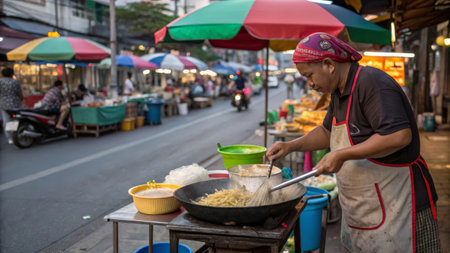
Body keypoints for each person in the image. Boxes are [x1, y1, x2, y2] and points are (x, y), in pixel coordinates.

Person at [266, 32, 440, 252]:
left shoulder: (372, 83)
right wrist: (291, 146)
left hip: (401, 202)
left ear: (329, 64)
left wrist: (343, 154)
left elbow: (399, 136)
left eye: (309, 75)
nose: (309, 83)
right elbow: (327, 131)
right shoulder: (339, 91)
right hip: (367, 206)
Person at [0, 67, 23, 144]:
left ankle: (9, 137)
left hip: (3, 104)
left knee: (6, 120)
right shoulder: (15, 82)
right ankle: (14, 135)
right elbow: (19, 93)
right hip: (15, 103)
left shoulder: (0, 81)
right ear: (12, 74)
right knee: (14, 119)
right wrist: (21, 99)